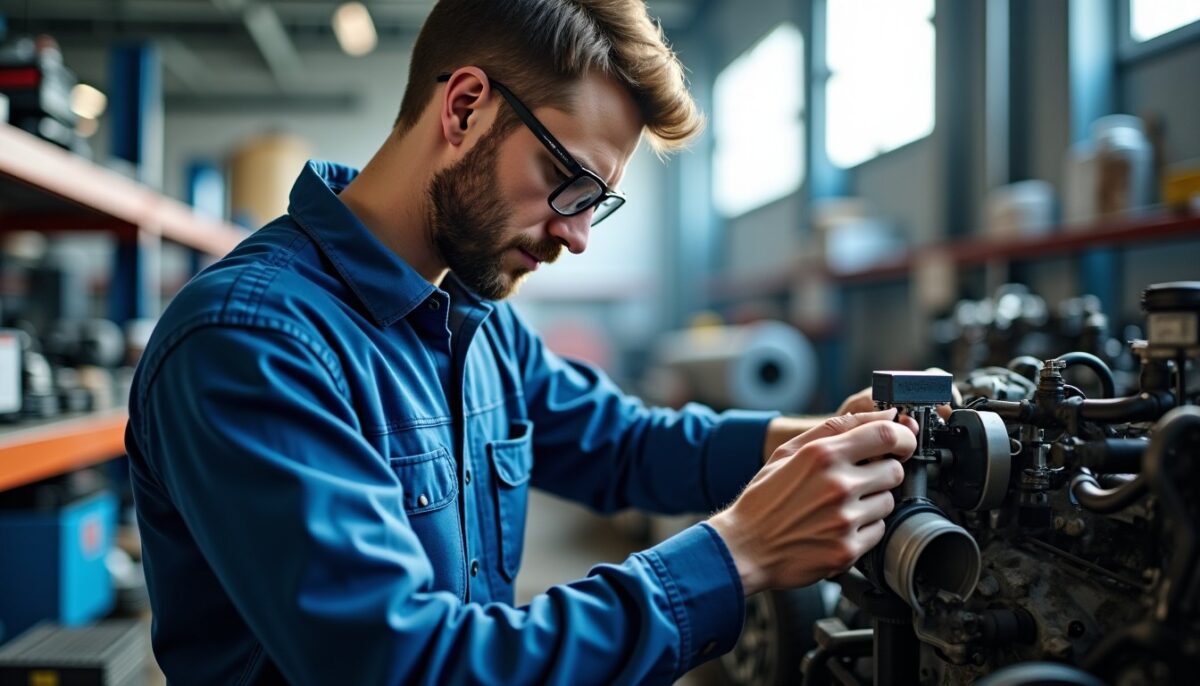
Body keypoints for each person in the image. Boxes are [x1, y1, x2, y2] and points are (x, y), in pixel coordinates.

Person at [125, 1, 918, 683]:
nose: (576, 236)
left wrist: (812, 443)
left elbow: (620, 445)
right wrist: (735, 552)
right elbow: (405, 667)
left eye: (596, 202)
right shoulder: (251, 343)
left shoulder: (475, 319)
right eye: (568, 181)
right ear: (465, 106)